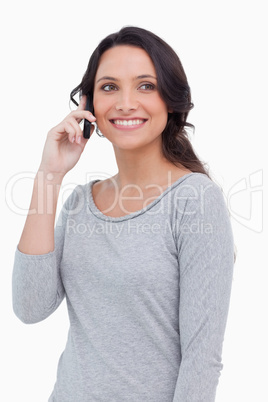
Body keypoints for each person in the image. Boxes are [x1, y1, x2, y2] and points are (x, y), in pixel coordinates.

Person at [12, 26, 234, 401]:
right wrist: (49, 176)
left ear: (171, 99)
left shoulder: (195, 200)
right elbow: (30, 307)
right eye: (110, 87)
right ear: (88, 103)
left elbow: (202, 360)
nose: (126, 102)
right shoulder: (80, 203)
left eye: (145, 86)